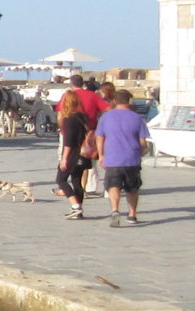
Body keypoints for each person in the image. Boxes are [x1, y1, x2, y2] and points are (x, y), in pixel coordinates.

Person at [94, 89, 152, 227]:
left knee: (113, 186)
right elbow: (143, 142)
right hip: (132, 158)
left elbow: (100, 138)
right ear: (129, 101)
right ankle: (132, 214)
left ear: (114, 100)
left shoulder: (106, 117)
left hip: (112, 158)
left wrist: (101, 155)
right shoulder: (137, 118)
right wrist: (143, 152)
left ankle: (115, 210)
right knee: (132, 188)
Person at [55, 90, 91, 220]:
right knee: (76, 181)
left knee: (61, 180)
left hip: (73, 154)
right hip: (84, 154)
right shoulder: (83, 117)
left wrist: (64, 158)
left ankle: (75, 206)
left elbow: (68, 142)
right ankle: (78, 211)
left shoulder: (69, 120)